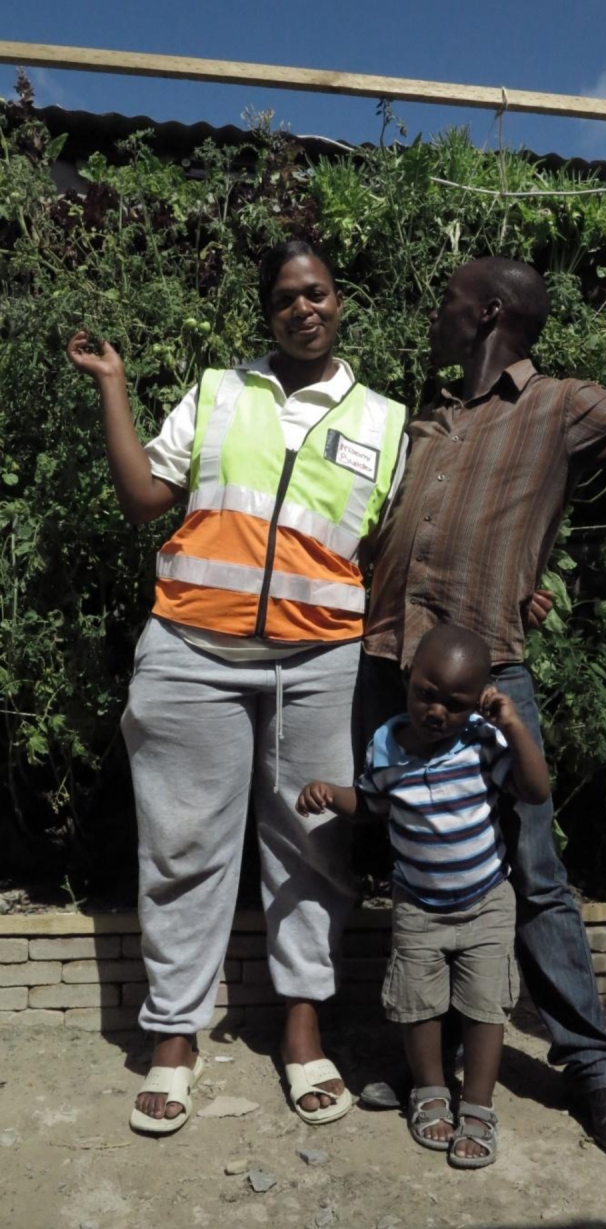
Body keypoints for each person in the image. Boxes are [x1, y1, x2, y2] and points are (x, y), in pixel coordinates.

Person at [354, 255, 606, 1162]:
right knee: (413, 854)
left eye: (447, 299)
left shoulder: (558, 406)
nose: (436, 312)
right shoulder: (431, 421)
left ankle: (595, 1071)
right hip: (390, 662)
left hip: (487, 678)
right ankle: (437, 1059)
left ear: (488, 312)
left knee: (536, 873)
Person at [65, 238, 407, 1135]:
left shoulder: (385, 419)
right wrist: (113, 383)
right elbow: (146, 498)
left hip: (322, 657)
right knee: (182, 844)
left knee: (315, 845)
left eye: (319, 292)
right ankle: (173, 1036)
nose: (305, 307)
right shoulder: (218, 392)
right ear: (268, 312)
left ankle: (302, 1030)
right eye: (287, 296)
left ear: (341, 302)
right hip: (191, 649)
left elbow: (391, 553)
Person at [297, 623, 546, 1168]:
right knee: (418, 1007)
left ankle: (477, 1107)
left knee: (485, 1010)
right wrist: (329, 795)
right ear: (409, 679)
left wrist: (513, 725)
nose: (436, 712)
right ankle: (430, 1093)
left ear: (477, 702)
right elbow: (371, 803)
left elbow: (534, 791)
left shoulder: (483, 741)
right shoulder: (386, 742)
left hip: (485, 903)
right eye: (426, 695)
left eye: (455, 705)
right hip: (417, 907)